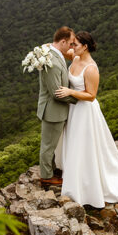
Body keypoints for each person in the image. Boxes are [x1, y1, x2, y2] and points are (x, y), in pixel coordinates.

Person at [54, 31, 118, 208]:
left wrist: (70, 92)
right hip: (73, 109)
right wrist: (46, 49)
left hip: (85, 111)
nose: (72, 48)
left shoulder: (91, 68)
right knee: (73, 142)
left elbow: (91, 95)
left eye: (75, 44)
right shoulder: (76, 57)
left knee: (82, 145)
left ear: (85, 47)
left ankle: (85, 183)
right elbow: (60, 51)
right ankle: (74, 174)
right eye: (72, 44)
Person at [37, 26, 77, 189]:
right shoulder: (52, 61)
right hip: (53, 111)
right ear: (62, 41)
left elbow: (49, 45)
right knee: (48, 145)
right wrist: (80, 99)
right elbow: (56, 93)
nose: (72, 47)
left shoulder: (52, 52)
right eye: (71, 43)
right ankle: (46, 177)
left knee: (51, 144)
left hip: (55, 110)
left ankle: (52, 170)